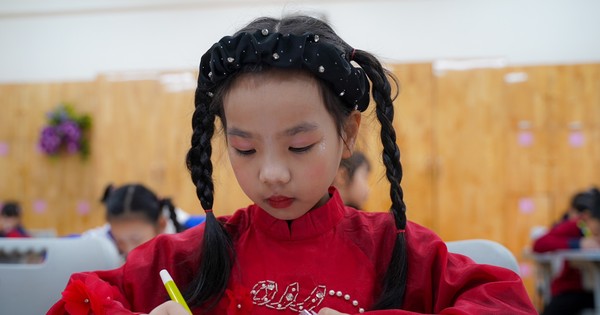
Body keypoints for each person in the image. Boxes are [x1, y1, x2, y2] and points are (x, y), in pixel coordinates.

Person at [49, 15, 536, 314]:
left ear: (347, 134)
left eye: (299, 145)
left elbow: (507, 303)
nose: (272, 173)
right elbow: (77, 302)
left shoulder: (395, 249)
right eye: (245, 149)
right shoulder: (192, 257)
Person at [82, 183, 204, 258]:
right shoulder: (107, 237)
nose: (129, 252)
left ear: (161, 225)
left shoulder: (191, 230)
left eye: (136, 240)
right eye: (120, 243)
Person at [533, 187, 600, 315]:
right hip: (575, 290)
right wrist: (578, 244)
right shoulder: (577, 226)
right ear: (587, 217)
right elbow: (540, 243)